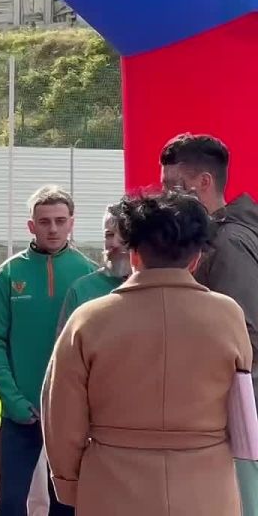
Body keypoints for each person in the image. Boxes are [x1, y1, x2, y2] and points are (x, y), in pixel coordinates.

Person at [43, 190, 251, 516]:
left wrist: (69, 483)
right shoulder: (228, 315)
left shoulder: (90, 318)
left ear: (135, 254)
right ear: (196, 258)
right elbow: (241, 404)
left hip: (112, 483)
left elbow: (61, 413)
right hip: (206, 485)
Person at [0, 185, 96, 516]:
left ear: (72, 223)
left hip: (70, 412)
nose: (53, 228)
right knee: (11, 503)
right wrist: (13, 400)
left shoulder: (88, 274)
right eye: (44, 221)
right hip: (22, 412)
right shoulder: (9, 273)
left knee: (66, 503)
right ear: (31, 225)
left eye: (60, 221)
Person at [159, 133, 258, 512]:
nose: (166, 196)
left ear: (204, 182)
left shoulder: (229, 243)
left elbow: (243, 336)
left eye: (173, 186)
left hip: (239, 418)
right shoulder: (220, 237)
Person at [57, 204, 131, 330]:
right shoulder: (81, 289)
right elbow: (66, 345)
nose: (115, 243)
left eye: (124, 235)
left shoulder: (150, 288)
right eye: (109, 235)